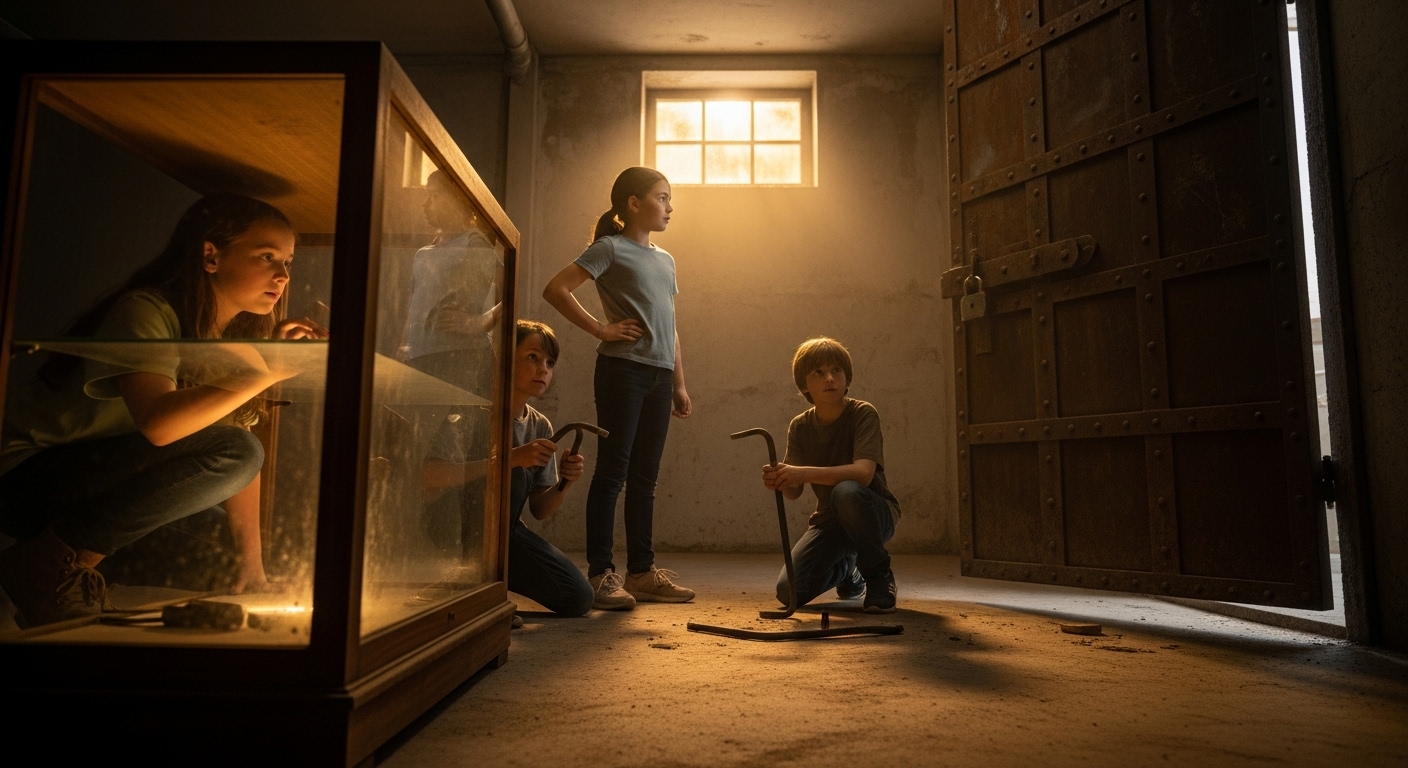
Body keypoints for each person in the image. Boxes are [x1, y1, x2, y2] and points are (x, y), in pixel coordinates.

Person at [0, 193, 328, 628]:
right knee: (238, 449)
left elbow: (241, 469)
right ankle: (49, 565)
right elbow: (159, 425)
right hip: (28, 479)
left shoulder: (237, 348)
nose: (282, 275)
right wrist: (270, 373)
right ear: (210, 256)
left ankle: (67, 565)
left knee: (227, 560)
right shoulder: (147, 309)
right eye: (267, 257)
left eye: (288, 261)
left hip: (108, 485)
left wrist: (253, 566)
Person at [542, 166, 694, 610]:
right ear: (633, 203)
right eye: (662, 197)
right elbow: (556, 289)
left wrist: (679, 383)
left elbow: (670, 324)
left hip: (660, 376)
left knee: (645, 478)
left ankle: (642, 573)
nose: (669, 207)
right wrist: (600, 329)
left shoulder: (665, 260)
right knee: (613, 473)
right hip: (622, 372)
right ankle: (601, 574)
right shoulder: (609, 248)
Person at [420, 320, 594, 616]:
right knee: (512, 474)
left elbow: (540, 508)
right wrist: (509, 459)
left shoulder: (540, 424)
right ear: (503, 358)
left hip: (507, 532)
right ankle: (474, 582)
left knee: (578, 597)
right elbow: (429, 478)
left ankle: (484, 584)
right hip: (457, 528)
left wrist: (566, 481)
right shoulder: (473, 413)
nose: (544, 370)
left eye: (550, 363)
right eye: (533, 357)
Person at [761, 337, 900, 614]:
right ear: (804, 385)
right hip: (831, 522)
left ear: (847, 379)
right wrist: (781, 479)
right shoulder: (800, 426)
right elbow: (794, 491)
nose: (829, 379)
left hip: (873, 513)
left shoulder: (862, 413)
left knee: (846, 491)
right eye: (818, 373)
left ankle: (879, 575)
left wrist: (801, 473)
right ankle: (849, 571)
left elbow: (862, 474)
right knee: (787, 591)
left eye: (836, 371)